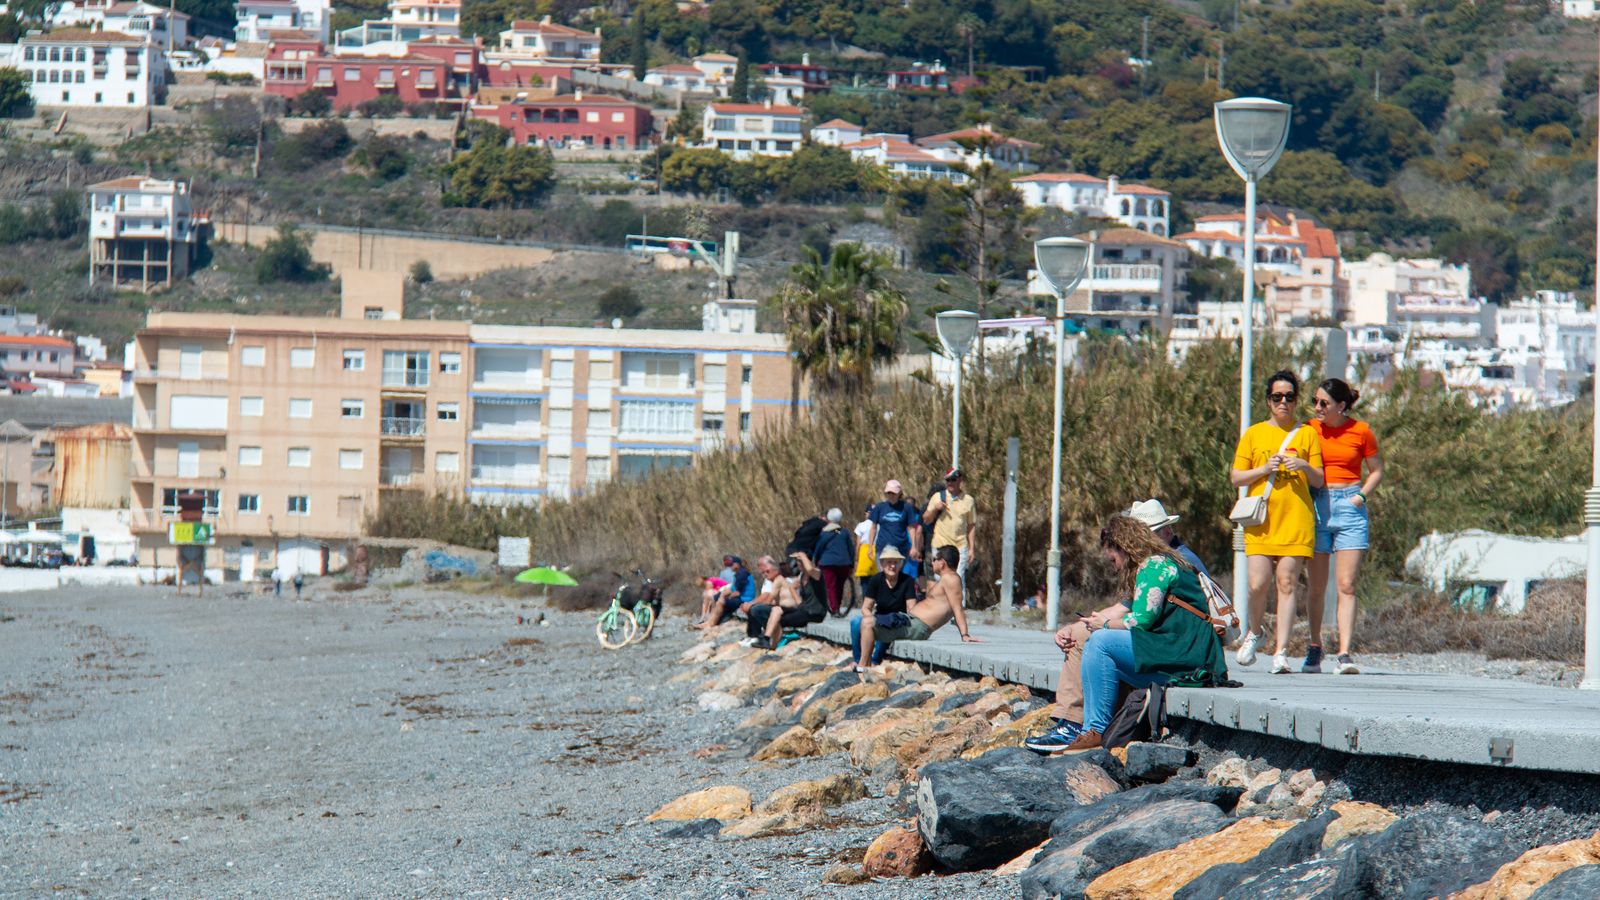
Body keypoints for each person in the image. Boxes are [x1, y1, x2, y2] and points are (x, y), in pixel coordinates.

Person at [1026, 499, 1210, 753]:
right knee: (1083, 634)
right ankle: (1073, 723)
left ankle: (1093, 729)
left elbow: (1142, 620)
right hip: (1176, 648)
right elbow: (1128, 607)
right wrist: (1080, 625)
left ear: (1166, 532)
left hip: (1186, 657)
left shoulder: (1170, 563)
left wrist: (1105, 625)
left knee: (1101, 642)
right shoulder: (1154, 563)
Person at [1231, 369, 1324, 675]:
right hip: (1261, 521)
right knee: (1257, 584)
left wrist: (1303, 465)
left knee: (1287, 583)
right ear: (1268, 401)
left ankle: (1281, 651)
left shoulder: (1307, 434)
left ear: (1296, 401)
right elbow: (1236, 477)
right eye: (1277, 397)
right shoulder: (1254, 433)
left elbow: (1319, 479)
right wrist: (1263, 469)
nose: (1283, 402)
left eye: (1289, 397)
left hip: (1296, 520)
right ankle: (1255, 632)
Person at [1305, 378, 1384, 675]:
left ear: (1341, 406)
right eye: (1315, 401)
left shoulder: (1361, 431)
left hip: (1350, 506)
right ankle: (1315, 646)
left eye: (1323, 403)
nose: (1317, 407)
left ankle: (1344, 652)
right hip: (1319, 504)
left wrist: (1361, 496)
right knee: (1316, 585)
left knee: (1346, 584)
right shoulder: (1310, 429)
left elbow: (1377, 470)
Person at [856, 546, 979, 673]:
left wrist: (964, 634)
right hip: (911, 622)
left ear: (942, 563)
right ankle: (866, 665)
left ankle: (863, 666)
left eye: (934, 559)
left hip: (918, 626)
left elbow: (957, 608)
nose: (932, 563)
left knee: (867, 623)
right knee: (867, 624)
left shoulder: (951, 579)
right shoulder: (948, 579)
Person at [848, 545, 918, 669]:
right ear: (882, 564)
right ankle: (858, 660)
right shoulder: (876, 580)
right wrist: (869, 619)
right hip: (879, 617)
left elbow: (911, 608)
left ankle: (875, 661)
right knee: (856, 622)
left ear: (900, 564)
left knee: (885, 626)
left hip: (898, 619)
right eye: (889, 562)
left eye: (895, 562)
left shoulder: (907, 581)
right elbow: (865, 607)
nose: (892, 566)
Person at [746, 552, 828, 649]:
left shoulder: (817, 573)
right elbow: (792, 587)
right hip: (804, 610)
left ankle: (773, 645)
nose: (798, 564)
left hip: (815, 612)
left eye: (801, 562)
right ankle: (766, 640)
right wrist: (800, 603)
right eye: (798, 562)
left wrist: (803, 555)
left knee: (779, 620)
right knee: (776, 610)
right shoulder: (802, 576)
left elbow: (810, 569)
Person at [923, 468, 977, 593]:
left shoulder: (968, 500)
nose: (950, 483)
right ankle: (942, 604)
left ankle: (958, 605)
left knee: (958, 578)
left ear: (960, 480)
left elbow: (971, 525)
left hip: (959, 545)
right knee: (939, 579)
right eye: (948, 480)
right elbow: (926, 519)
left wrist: (971, 549)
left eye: (953, 480)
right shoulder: (938, 497)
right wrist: (935, 509)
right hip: (940, 544)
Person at [868, 480, 923, 579]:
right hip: (882, 547)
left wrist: (914, 547)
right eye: (889, 493)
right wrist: (870, 547)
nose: (891, 495)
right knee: (884, 576)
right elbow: (873, 528)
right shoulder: (880, 507)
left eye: (894, 493)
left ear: (899, 493)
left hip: (901, 548)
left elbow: (911, 528)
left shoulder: (906, 508)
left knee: (898, 577)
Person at [812, 508, 857, 615]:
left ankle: (835, 608)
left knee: (830, 586)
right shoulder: (844, 532)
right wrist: (851, 564)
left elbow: (818, 548)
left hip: (827, 563)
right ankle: (837, 606)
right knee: (840, 586)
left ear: (828, 518)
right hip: (844, 563)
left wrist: (815, 561)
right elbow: (851, 549)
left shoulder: (823, 533)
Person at [695, 556, 757, 630]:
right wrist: (722, 595)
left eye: (731, 564)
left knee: (721, 601)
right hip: (740, 597)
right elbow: (733, 589)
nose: (730, 566)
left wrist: (724, 597)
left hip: (744, 599)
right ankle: (710, 621)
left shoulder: (742, 573)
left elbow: (737, 593)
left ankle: (710, 623)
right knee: (716, 597)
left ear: (737, 564)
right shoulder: (739, 573)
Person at [853, 504, 878, 588]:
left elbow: (858, 544)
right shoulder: (880, 525)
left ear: (866, 513)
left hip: (864, 553)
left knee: (865, 583)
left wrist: (856, 559)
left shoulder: (861, 525)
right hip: (876, 552)